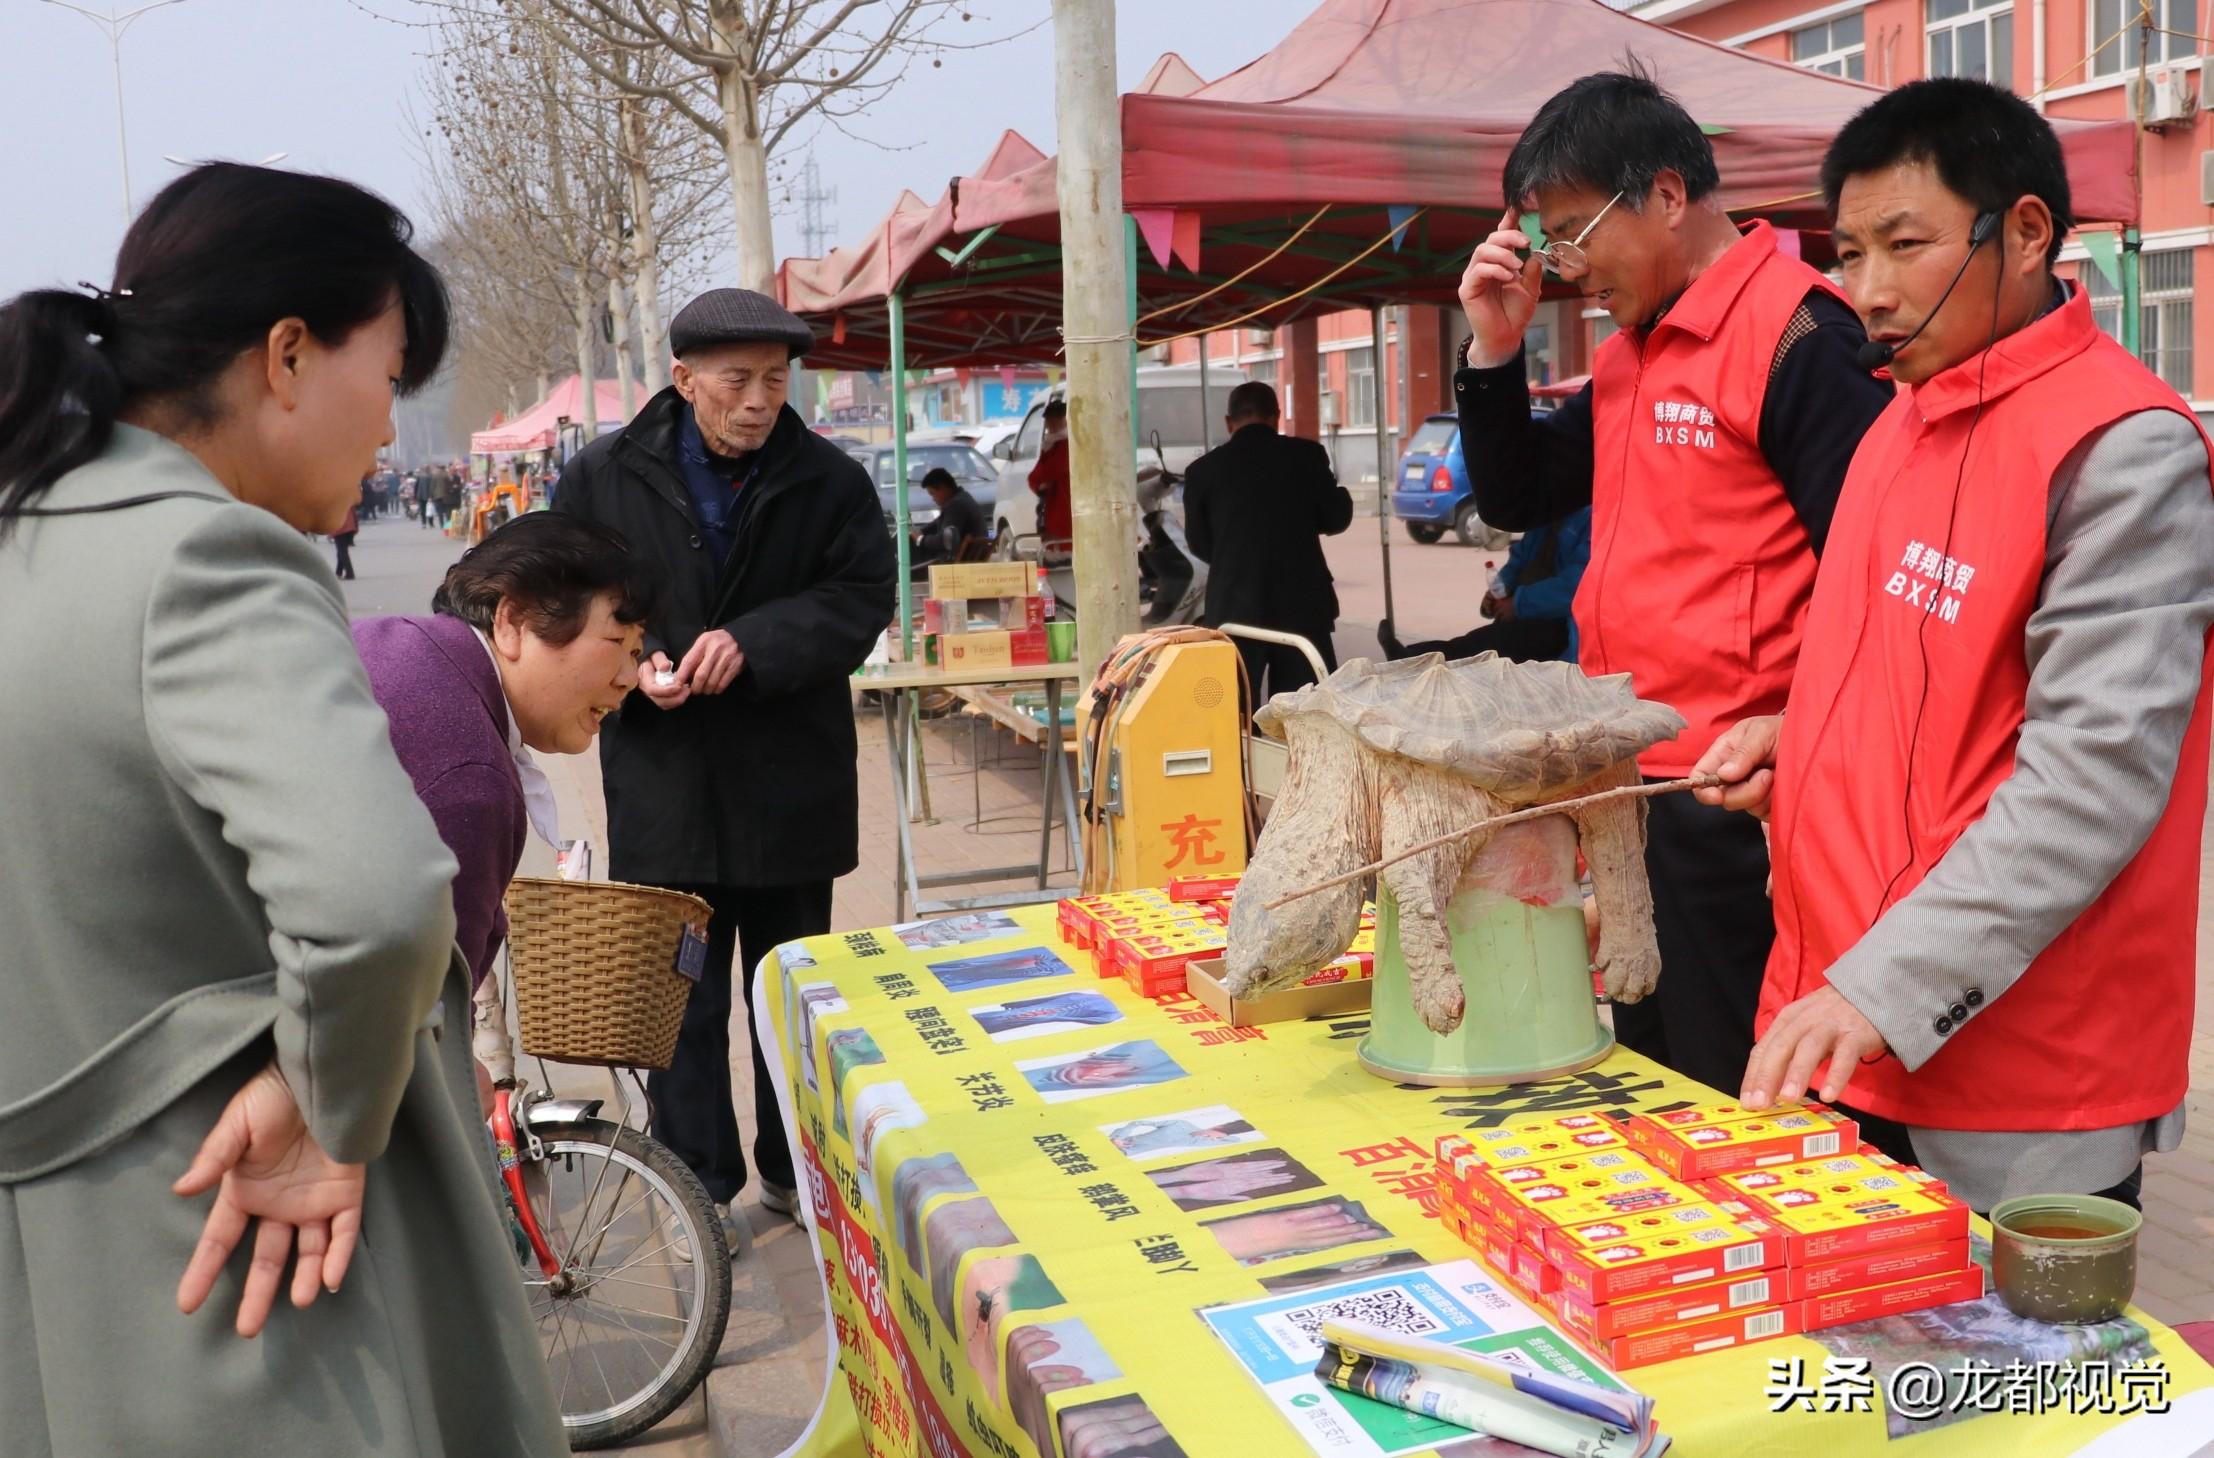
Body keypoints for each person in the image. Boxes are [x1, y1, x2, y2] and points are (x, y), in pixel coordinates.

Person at [0, 162, 564, 1455]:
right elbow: (374, 900)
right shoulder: (208, 557)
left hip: (53, 1300)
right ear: (290, 355)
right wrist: (326, 1101)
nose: (389, 426)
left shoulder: (22, 541)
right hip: (246, 1261)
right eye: (393, 370)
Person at [1695, 80, 2214, 1213]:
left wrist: (1882, 988)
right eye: (1849, 251)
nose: (1869, 292)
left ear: (2025, 233)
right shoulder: (1900, 420)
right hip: (1848, 1017)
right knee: (1854, 1381)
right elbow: (1908, 683)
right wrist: (1798, 744)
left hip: (2018, 1062)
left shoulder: (2120, 451)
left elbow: (2093, 781)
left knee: (2014, 1381)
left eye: (1907, 244)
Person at [1452, 67, 1895, 1094]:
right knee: (1652, 1073)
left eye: (1570, 232)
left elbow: (1870, 580)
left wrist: (1797, 741)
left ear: (1662, 194)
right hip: (1633, 785)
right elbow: (1518, 495)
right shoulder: (1633, 353)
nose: (1562, 267)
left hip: (1735, 800)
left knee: (1732, 1081)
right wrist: (1495, 349)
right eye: (1545, 241)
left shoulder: (1800, 338)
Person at [553, 287, 895, 1230]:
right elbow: (562, 594)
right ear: (683, 379)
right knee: (683, 1008)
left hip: (792, 785)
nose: (758, 401)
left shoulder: (830, 481)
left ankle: (798, 1170)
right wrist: (635, 659)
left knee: (795, 996)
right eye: (737, 380)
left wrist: (756, 641)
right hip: (665, 782)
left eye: (776, 382)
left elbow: (864, 594)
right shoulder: (602, 478)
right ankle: (699, 1188)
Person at [352, 513, 659, 1099]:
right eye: (616, 642)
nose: (629, 678)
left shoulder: (406, 641)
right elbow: (420, 1025)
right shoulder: (470, 780)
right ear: (513, 621)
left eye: (638, 651)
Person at [1180, 381, 1355, 701]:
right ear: (1276, 416)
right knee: (1303, 713)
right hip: (1301, 606)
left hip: (1234, 608)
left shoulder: (1202, 471)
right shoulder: (1308, 456)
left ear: (1228, 422)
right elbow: (1335, 518)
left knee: (1233, 712)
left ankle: (1244, 752)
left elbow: (1199, 545)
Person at [1378, 505, 1590, 663]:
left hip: (1561, 624)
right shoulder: (1551, 509)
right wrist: (1500, 588)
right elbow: (1522, 556)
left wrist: (1518, 605)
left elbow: (1577, 586)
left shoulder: (1592, 516)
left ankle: (1410, 660)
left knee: (1486, 647)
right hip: (1528, 613)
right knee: (1480, 644)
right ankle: (1410, 659)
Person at [913, 465, 987, 568]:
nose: (933, 499)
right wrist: (921, 530)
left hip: (959, 561)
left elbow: (944, 540)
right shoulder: (963, 498)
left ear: (943, 488)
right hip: (968, 555)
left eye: (933, 494)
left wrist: (921, 539)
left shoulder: (956, 505)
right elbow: (939, 522)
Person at [1028, 398, 1072, 545]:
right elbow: (1034, 477)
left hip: (1064, 509)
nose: (1051, 424)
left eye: (1056, 419)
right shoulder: (1050, 444)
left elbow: (1050, 471)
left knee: (1063, 550)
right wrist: (1037, 483)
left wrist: (1038, 482)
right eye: (1049, 420)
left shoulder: (1066, 445)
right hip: (1052, 510)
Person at [333, 497, 359, 579]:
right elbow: (354, 514)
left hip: (341, 528)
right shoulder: (348, 499)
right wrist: (355, 527)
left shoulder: (335, 502)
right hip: (349, 527)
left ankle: (350, 573)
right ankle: (338, 572)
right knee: (341, 551)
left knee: (342, 551)